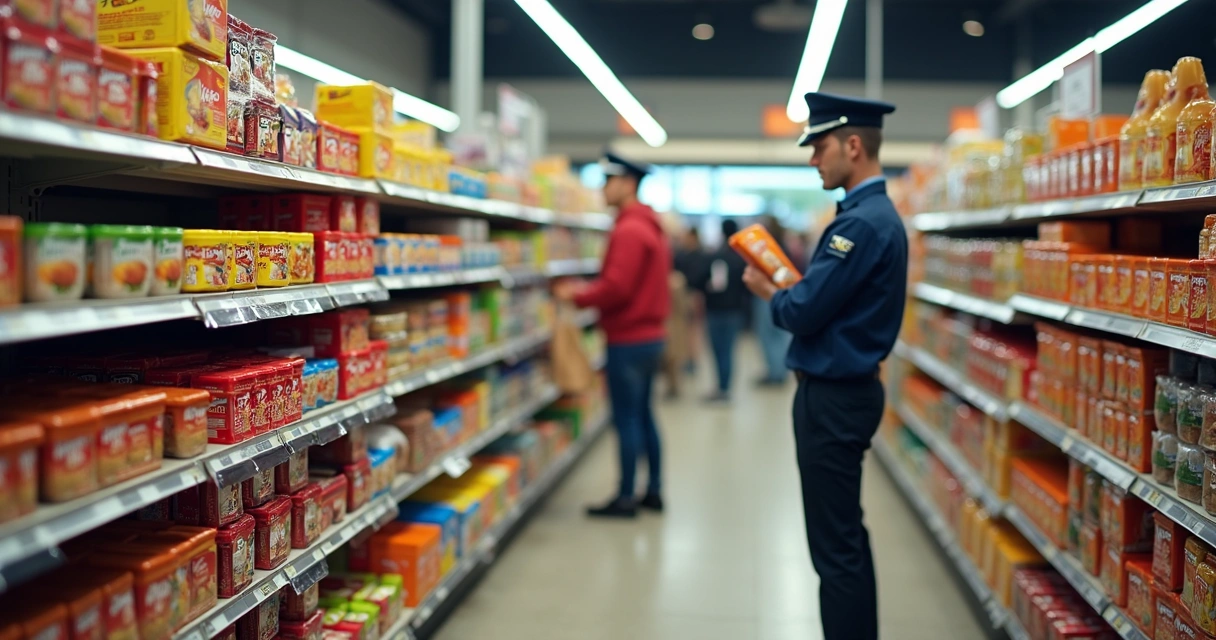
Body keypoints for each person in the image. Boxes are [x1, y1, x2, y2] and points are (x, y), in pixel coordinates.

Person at [743, 92, 907, 640]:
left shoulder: (860, 225)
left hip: (834, 400)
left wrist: (770, 290)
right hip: (847, 393)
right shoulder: (867, 217)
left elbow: (805, 310)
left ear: (853, 146)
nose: (813, 158)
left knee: (834, 550)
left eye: (820, 146)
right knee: (845, 539)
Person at [555, 150, 672, 519]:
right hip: (649, 336)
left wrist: (577, 294)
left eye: (608, 181)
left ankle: (625, 497)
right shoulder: (648, 225)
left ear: (627, 183)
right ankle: (652, 490)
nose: (602, 189)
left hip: (629, 339)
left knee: (627, 419)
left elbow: (617, 288)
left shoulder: (629, 229)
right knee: (645, 414)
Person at [693, 218, 749, 401]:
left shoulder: (716, 256)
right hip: (735, 309)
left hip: (716, 309)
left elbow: (700, 280)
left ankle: (722, 387)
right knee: (729, 350)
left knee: (718, 350)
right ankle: (725, 387)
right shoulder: (741, 258)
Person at [751, 215, 793, 386]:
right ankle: (778, 370)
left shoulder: (769, 249)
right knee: (778, 334)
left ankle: (775, 372)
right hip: (780, 292)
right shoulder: (782, 246)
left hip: (767, 294)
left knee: (768, 334)